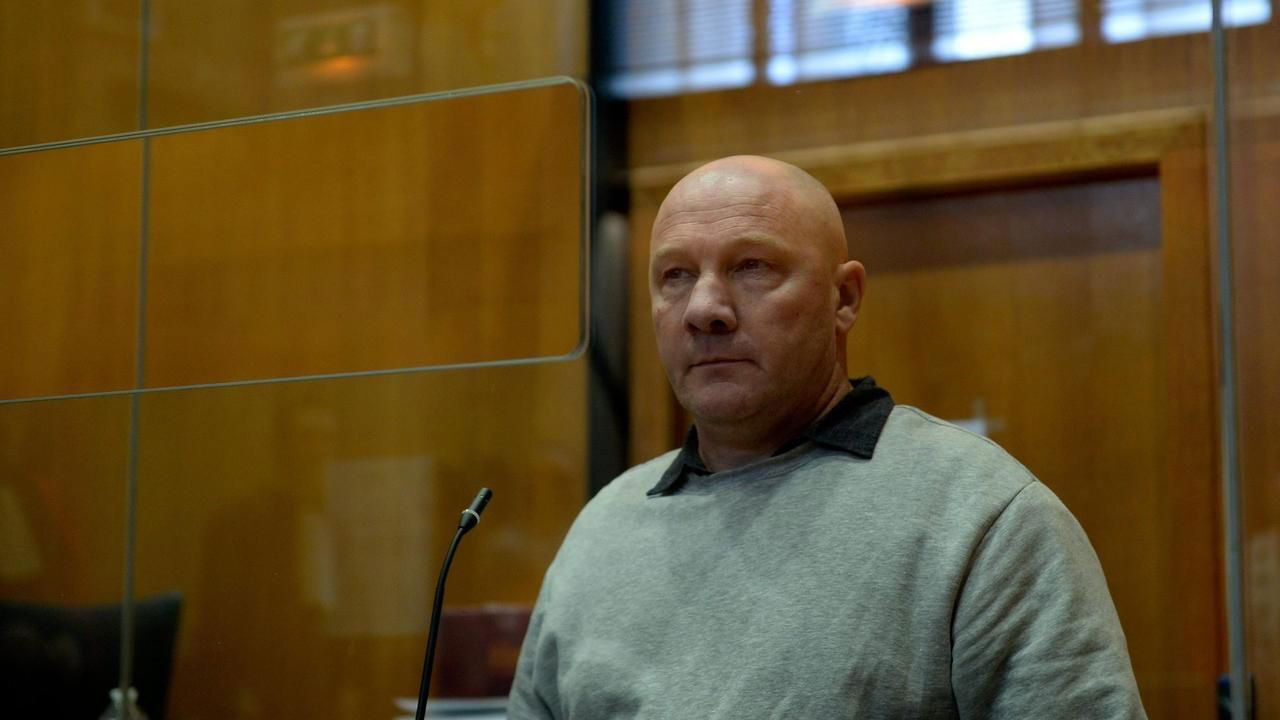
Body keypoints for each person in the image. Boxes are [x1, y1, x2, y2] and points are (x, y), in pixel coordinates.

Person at [508, 155, 1146, 718]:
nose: (704, 308)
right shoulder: (603, 529)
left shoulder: (981, 516)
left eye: (752, 267)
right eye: (675, 275)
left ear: (844, 298)